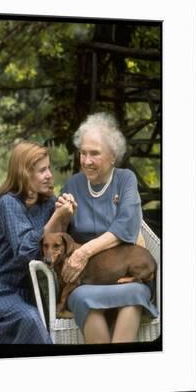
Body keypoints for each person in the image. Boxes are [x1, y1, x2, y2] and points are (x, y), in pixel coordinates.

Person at [58, 112, 159, 344]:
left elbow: (126, 226)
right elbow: (57, 235)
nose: (86, 160)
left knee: (134, 294)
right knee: (83, 298)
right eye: (83, 153)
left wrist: (83, 252)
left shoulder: (125, 180)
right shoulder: (73, 183)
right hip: (86, 280)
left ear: (113, 156)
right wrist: (60, 214)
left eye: (94, 153)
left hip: (127, 275)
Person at [0, 141, 74, 344]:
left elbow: (55, 245)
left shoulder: (46, 202)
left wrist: (66, 215)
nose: (49, 175)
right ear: (24, 173)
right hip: (0, 293)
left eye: (49, 168)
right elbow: (26, 251)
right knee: (30, 322)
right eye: (42, 170)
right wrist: (56, 217)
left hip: (29, 293)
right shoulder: (8, 204)